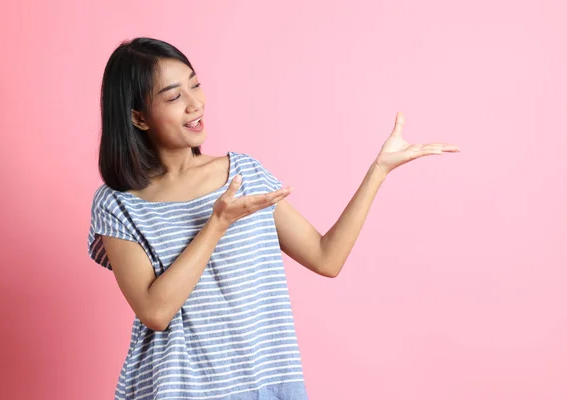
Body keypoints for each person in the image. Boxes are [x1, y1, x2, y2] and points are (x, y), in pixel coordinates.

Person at [87, 37, 459, 400]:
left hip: (264, 381)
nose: (194, 103)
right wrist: (216, 224)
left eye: (195, 84)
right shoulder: (118, 204)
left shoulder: (243, 174)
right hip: (174, 387)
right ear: (138, 117)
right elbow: (155, 311)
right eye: (173, 96)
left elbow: (325, 257)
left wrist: (379, 170)